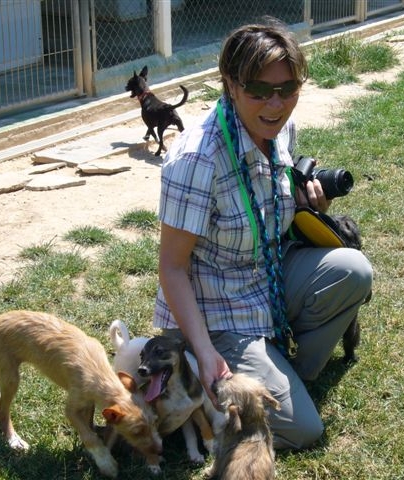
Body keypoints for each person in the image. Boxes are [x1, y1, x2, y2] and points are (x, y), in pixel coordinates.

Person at [154, 18, 373, 450]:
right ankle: (214, 376)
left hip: (265, 279)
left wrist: (309, 208)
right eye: (259, 90)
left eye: (288, 88)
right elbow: (172, 269)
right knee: (305, 431)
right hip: (217, 312)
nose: (275, 104)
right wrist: (205, 351)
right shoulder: (196, 158)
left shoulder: (279, 129)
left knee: (354, 270)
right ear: (231, 85)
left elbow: (269, 216)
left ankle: (291, 374)